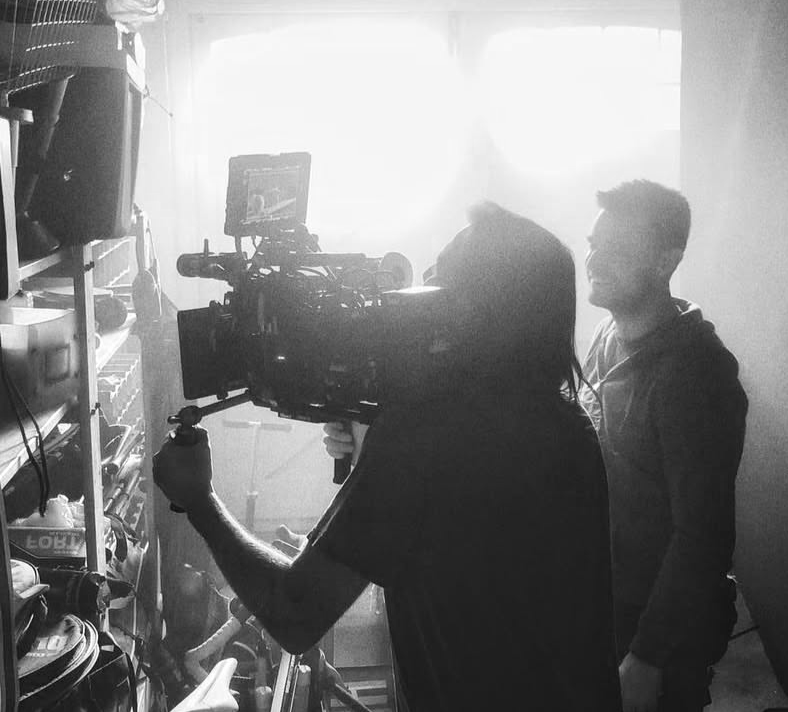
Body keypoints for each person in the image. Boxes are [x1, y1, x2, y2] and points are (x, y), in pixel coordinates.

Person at [156, 203, 622, 711]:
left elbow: (296, 613)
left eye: (435, 282)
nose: (404, 302)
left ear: (470, 312)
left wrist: (199, 501)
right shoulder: (568, 426)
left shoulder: (425, 435)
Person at [580, 179, 748, 712]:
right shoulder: (606, 336)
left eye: (616, 249)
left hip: (660, 635)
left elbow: (703, 536)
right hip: (605, 609)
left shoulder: (697, 376)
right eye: (593, 243)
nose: (594, 259)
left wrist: (648, 657)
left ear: (665, 260)